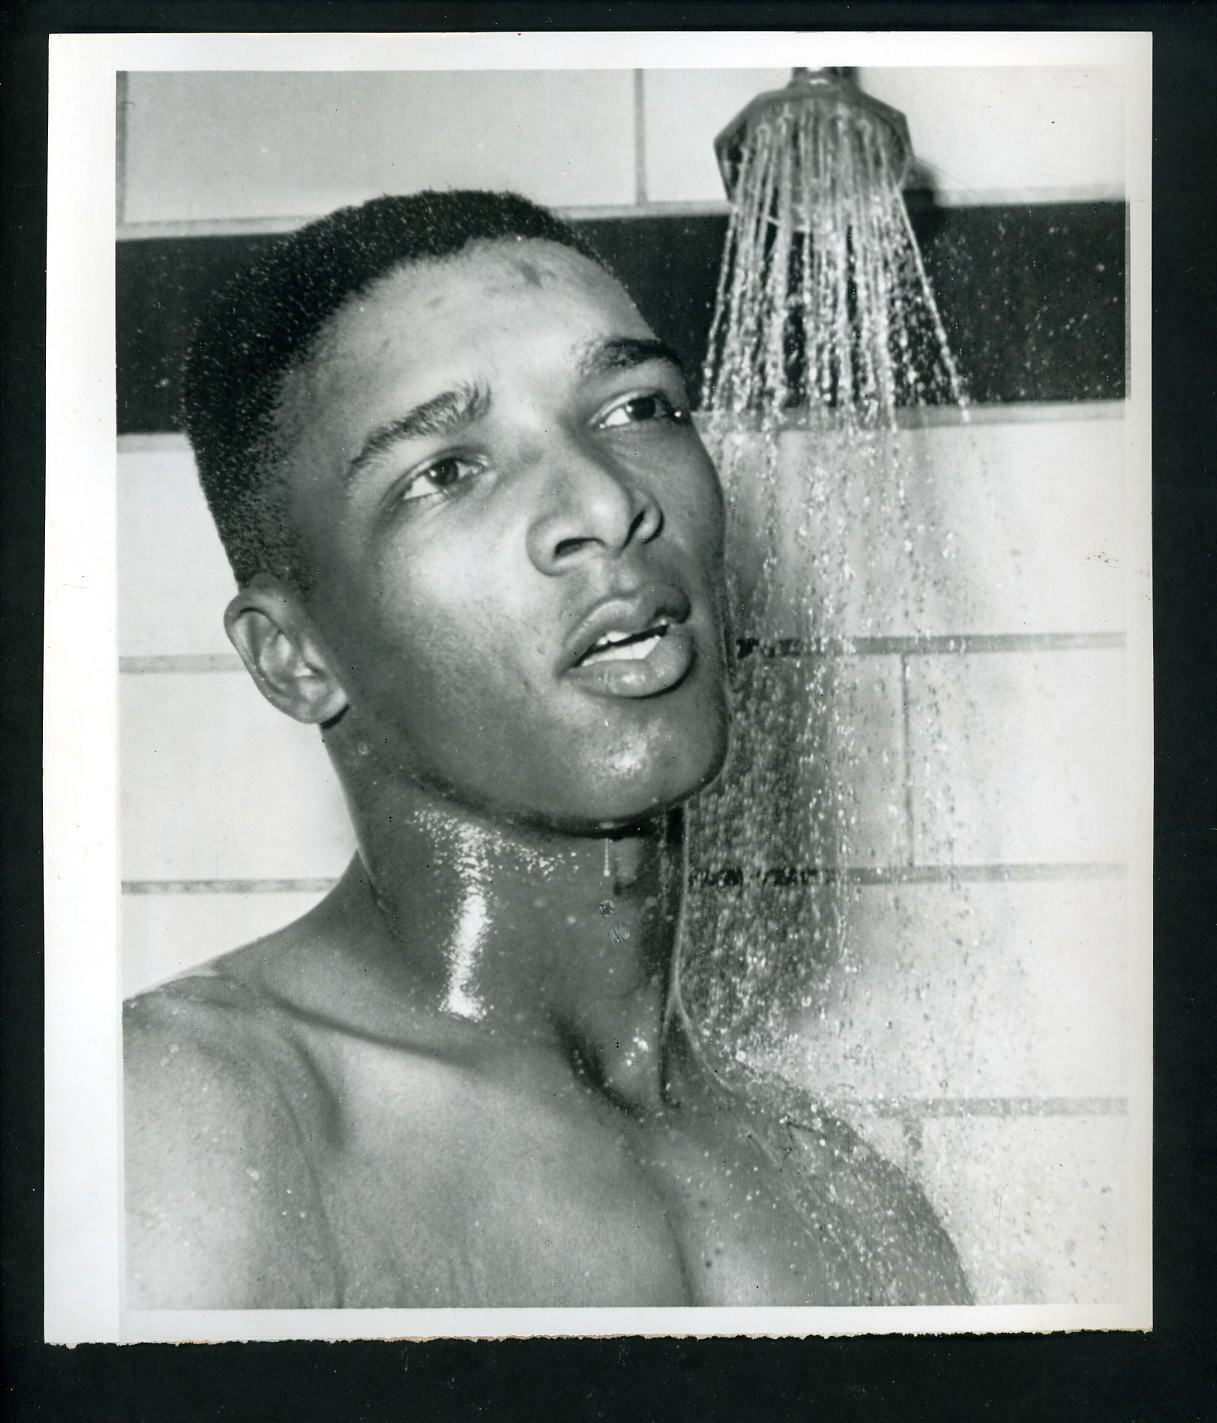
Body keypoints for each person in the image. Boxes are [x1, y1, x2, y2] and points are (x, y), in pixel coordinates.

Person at [124, 190, 970, 1310]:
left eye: (634, 409)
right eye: (444, 470)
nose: (604, 500)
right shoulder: (183, 1120)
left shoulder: (857, 1203)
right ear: (293, 656)